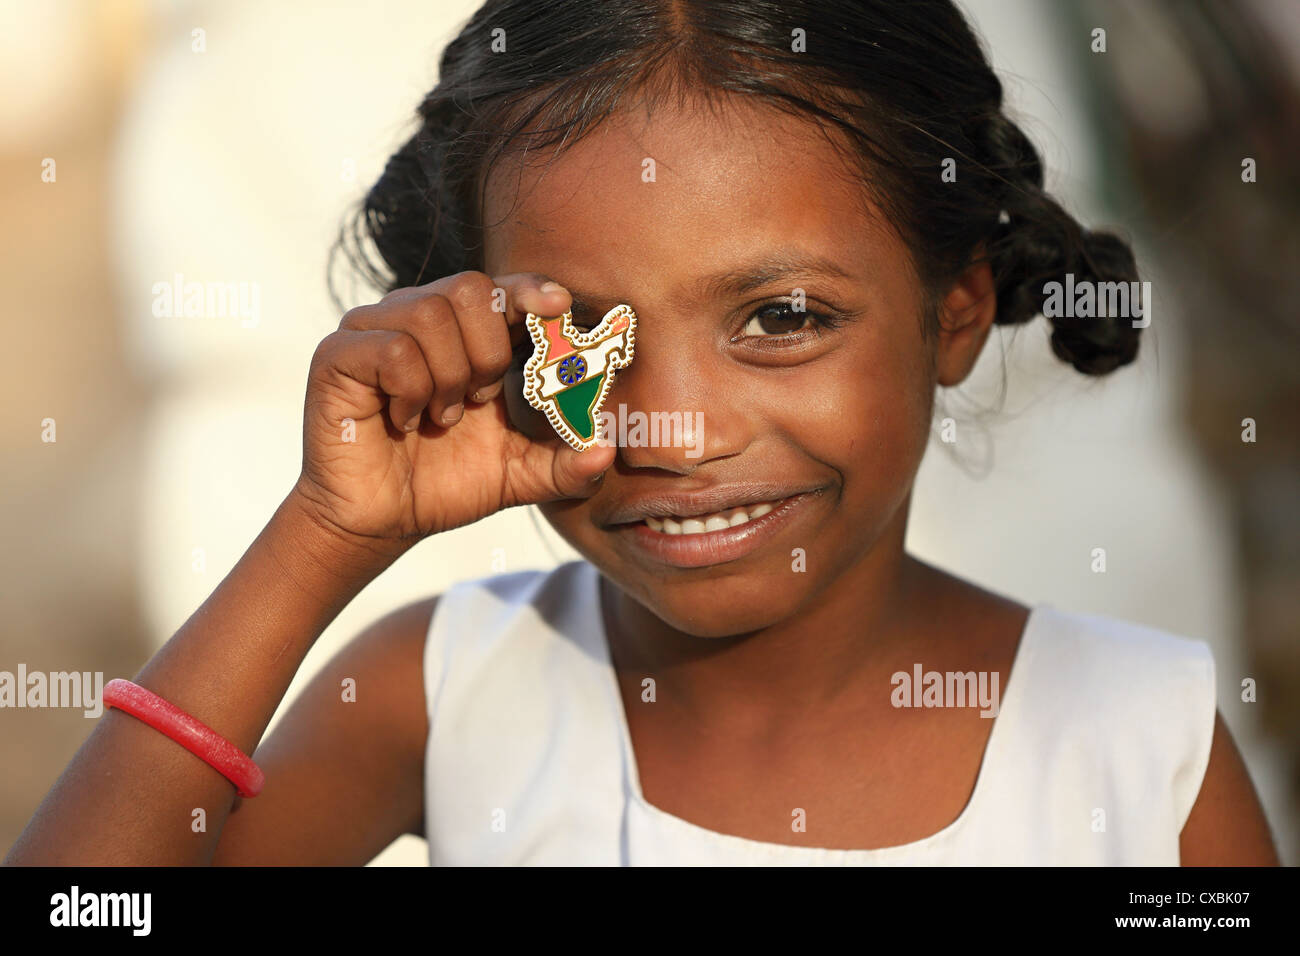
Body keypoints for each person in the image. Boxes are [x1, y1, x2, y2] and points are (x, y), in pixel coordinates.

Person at [6, 0, 1278, 865]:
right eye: (584, 344)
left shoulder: (1140, 746)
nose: (674, 423)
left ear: (955, 309)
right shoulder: (441, 692)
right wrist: (322, 534)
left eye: (782, 317)